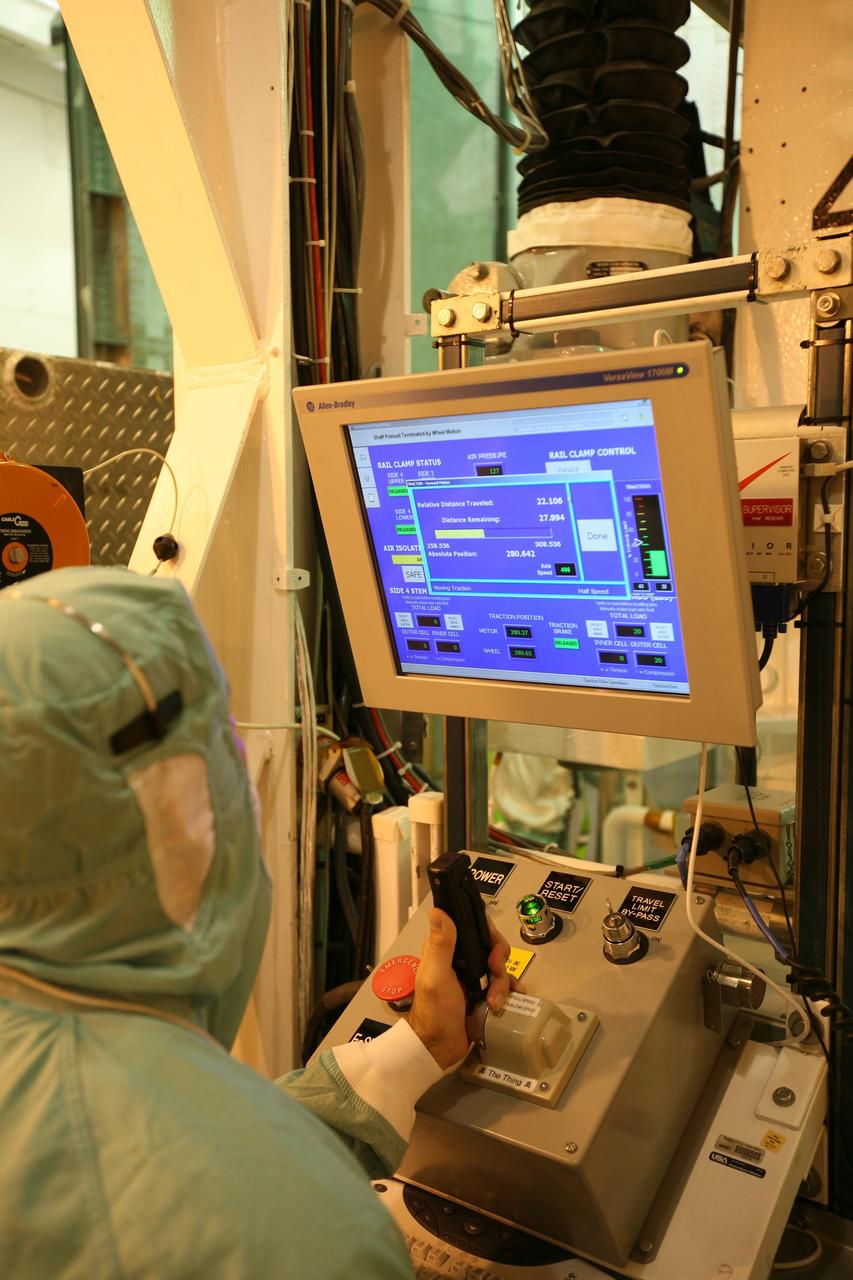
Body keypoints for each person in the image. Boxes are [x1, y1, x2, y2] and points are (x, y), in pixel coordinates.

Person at [0, 566, 513, 1279]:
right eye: (227, 753)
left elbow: (171, 1150)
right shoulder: (303, 1239)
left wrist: (419, 1049)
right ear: (186, 823)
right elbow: (227, 1188)